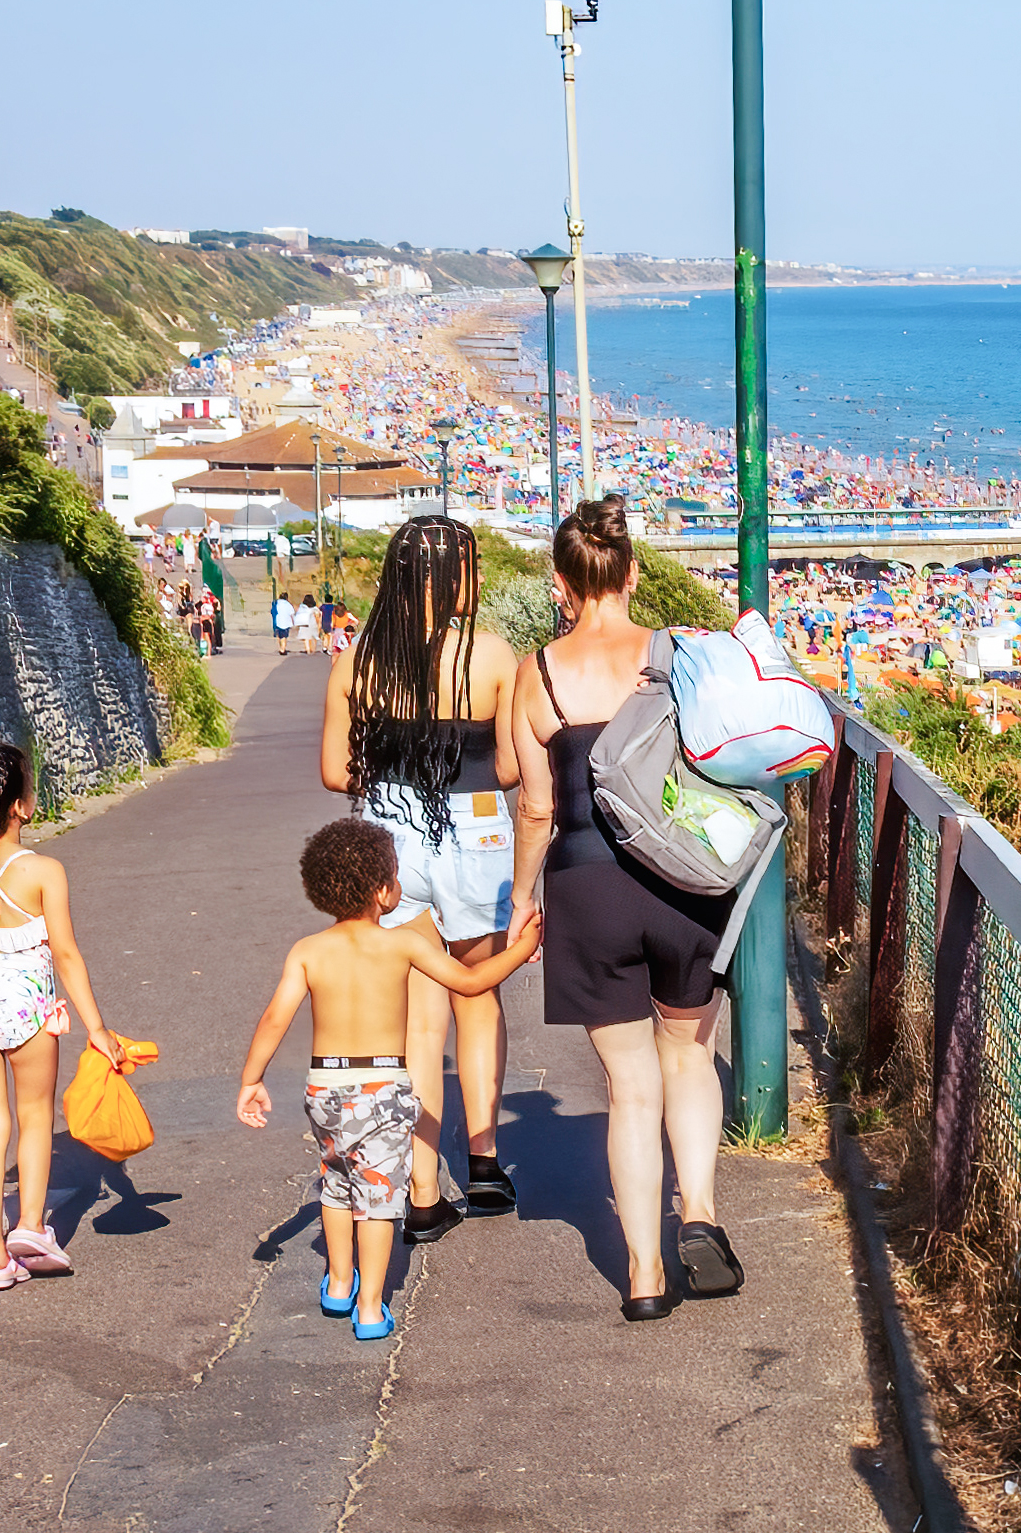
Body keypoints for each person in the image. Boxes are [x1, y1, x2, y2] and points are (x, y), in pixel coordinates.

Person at [515, 497, 750, 1322]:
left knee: (628, 1087)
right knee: (689, 1058)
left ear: (560, 584)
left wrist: (520, 899)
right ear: (632, 574)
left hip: (586, 887)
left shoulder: (537, 671)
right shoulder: (676, 652)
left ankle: (645, 1275)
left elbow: (537, 808)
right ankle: (700, 1216)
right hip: (683, 881)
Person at [235, 818, 545, 1340]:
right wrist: (521, 947)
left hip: (325, 1089)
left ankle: (338, 1283)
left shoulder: (308, 950)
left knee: (335, 1183)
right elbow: (470, 983)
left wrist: (252, 1079)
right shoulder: (401, 945)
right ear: (383, 891)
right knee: (377, 1200)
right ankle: (373, 1307)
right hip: (380, 1090)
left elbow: (274, 1018)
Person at [321, 518, 541, 1226]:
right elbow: (510, 766)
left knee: (419, 1015)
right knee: (478, 996)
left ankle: (420, 1191)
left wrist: (394, 776)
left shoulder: (358, 660)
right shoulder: (493, 654)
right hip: (474, 825)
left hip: (390, 836)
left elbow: (333, 771)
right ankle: (483, 1165)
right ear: (453, 578)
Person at [0, 739, 120, 1293]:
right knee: (35, 1115)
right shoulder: (44, 871)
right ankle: (32, 1230)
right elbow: (66, 954)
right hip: (28, 1009)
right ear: (21, 806)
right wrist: (97, 1028)